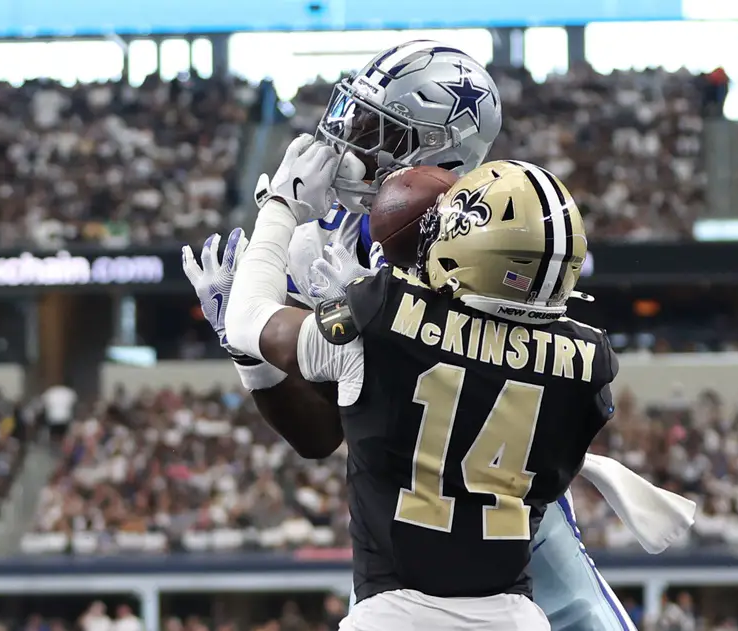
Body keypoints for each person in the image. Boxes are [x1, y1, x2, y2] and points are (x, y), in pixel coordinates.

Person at [183, 41, 694, 631]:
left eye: (382, 128)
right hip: (405, 507)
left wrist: (307, 315)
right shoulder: (326, 233)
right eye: (360, 117)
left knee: (583, 616)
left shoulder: (499, 234)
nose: (353, 139)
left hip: (502, 489)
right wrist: (256, 359)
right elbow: (322, 434)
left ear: (442, 149)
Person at [225, 155, 618, 629]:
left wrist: (279, 205)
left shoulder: (383, 315)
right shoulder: (590, 361)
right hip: (514, 618)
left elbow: (248, 320)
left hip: (394, 615)